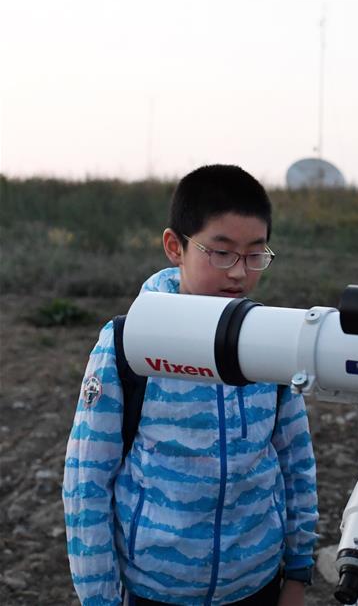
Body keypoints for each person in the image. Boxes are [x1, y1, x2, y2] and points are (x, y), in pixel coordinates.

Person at [63, 165, 318, 605]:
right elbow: (86, 481)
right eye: (221, 253)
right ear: (174, 247)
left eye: (255, 254)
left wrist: (297, 571)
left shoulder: (270, 342)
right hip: (156, 589)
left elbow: (295, 461)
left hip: (256, 583)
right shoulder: (129, 342)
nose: (239, 272)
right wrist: (100, 598)